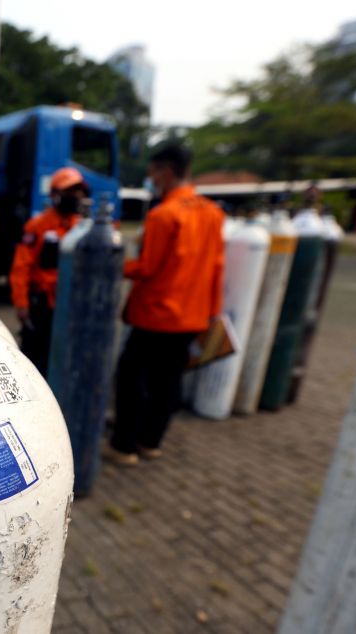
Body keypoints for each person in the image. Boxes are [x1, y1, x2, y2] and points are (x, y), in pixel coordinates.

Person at [109, 144, 226, 466]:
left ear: (168, 172)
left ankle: (124, 446)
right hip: (193, 317)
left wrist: (114, 263)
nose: (152, 180)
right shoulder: (213, 214)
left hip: (157, 316)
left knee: (132, 378)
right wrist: (212, 311)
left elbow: (147, 268)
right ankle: (151, 441)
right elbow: (218, 266)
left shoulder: (164, 216)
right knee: (168, 383)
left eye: (154, 173)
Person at [9, 167, 91, 374]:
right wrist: (21, 303)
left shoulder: (81, 228)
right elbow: (21, 267)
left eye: (78, 192)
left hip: (70, 305)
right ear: (55, 195)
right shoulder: (38, 226)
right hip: (42, 305)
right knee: (36, 360)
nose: (75, 196)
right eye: (69, 192)